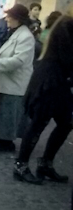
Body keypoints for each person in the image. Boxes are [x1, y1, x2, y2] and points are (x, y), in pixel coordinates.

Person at [12, 16, 73, 184]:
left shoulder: (66, 23)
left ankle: (45, 163)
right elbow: (68, 56)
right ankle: (21, 165)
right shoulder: (67, 24)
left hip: (59, 81)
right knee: (38, 123)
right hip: (50, 81)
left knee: (66, 123)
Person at [0, 5, 35, 152]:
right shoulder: (15, 33)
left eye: (9, 16)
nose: (6, 19)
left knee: (9, 113)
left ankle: (6, 142)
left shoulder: (25, 37)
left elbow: (18, 61)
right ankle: (2, 140)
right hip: (9, 82)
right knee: (4, 112)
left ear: (17, 19)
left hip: (15, 82)